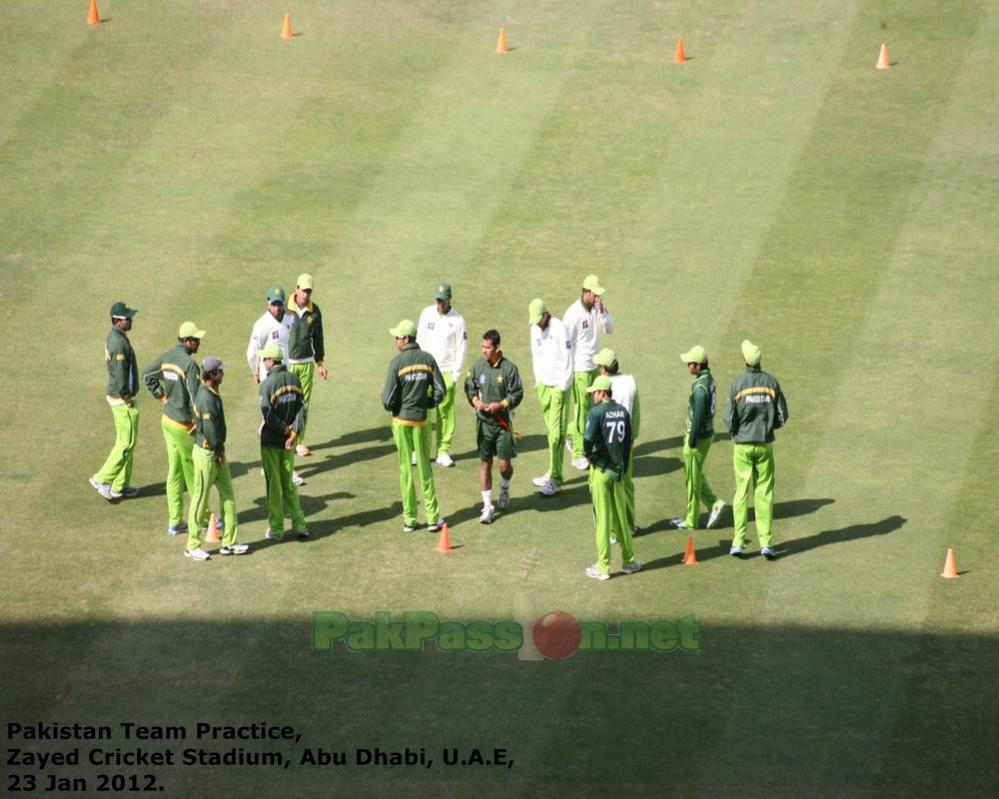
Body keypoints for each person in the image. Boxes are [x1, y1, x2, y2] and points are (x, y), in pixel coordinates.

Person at [723, 340, 789, 560]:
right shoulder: (771, 383)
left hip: (742, 446)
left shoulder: (737, 384)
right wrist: (767, 428)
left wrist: (738, 433)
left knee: (741, 493)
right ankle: (766, 543)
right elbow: (782, 416)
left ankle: (738, 543)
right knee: (764, 493)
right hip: (764, 445)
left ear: (745, 361)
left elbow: (729, 419)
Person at [381, 320, 447, 532]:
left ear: (407, 339)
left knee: (405, 471)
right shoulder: (428, 360)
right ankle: (432, 517)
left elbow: (387, 400)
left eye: (398, 337)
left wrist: (399, 406)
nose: (395, 340)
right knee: (425, 470)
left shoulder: (397, 363)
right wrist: (426, 404)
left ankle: (410, 519)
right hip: (422, 421)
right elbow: (441, 391)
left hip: (401, 422)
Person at [143, 321, 208, 536]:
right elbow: (194, 397)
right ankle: (204, 519)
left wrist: (162, 396)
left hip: (167, 421)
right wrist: (199, 423)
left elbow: (147, 376)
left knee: (175, 472)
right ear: (187, 341)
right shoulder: (189, 365)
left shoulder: (167, 357)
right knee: (194, 474)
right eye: (196, 340)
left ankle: (175, 521)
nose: (199, 343)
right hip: (183, 426)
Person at [184, 357, 248, 561]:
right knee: (200, 499)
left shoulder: (210, 393)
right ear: (212, 375)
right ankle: (192, 545)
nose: (223, 373)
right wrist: (219, 451)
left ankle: (229, 542)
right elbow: (211, 432)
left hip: (216, 452)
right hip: (208, 454)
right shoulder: (207, 398)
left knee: (228, 494)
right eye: (220, 371)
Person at [583, 375, 641, 581]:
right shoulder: (623, 412)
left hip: (600, 471)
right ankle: (629, 561)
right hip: (618, 472)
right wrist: (623, 468)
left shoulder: (596, 412)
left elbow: (588, 439)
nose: (592, 397)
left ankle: (603, 566)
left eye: (594, 393)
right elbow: (628, 444)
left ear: (601, 393)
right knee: (621, 519)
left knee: (602, 521)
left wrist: (587, 455)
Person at [464, 329, 524, 524]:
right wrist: (475, 401)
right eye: (482, 347)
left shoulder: (509, 369)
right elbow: (469, 385)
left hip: (502, 425)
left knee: (504, 466)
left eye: (488, 348)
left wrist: (501, 405)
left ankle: (505, 486)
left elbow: (517, 394)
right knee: (485, 463)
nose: (484, 351)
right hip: (484, 424)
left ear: (497, 348)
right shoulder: (478, 367)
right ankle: (488, 506)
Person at [246, 285, 300, 485]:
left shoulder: (289, 319)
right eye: (274, 303)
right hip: (269, 377)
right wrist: (255, 371)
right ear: (268, 303)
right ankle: (282, 468)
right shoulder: (261, 324)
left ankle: (271, 463)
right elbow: (252, 352)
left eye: (280, 303)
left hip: (284, 373)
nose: (277, 307)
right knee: (274, 421)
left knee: (275, 420)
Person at [257, 344, 310, 541]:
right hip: (289, 444)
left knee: (274, 487)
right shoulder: (294, 380)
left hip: (272, 443)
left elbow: (268, 415)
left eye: (264, 359)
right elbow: (301, 410)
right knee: (288, 484)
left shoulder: (267, 384)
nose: (263, 363)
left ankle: (277, 529)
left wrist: (285, 430)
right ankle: (300, 524)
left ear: (272, 361)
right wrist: (293, 434)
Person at [563, 275, 615, 470]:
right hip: (580, 370)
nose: (597, 297)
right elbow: (565, 343)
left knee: (594, 410)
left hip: (596, 367)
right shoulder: (573, 314)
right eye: (594, 294)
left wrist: (602, 313)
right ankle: (578, 453)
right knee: (581, 413)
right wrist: (568, 371)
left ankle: (570, 433)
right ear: (585, 292)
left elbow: (610, 328)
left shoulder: (597, 309)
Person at [90, 301, 141, 501]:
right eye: (128, 318)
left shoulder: (117, 337)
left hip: (120, 398)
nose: (131, 320)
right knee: (126, 443)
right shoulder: (118, 343)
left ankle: (120, 486)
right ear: (117, 321)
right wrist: (127, 397)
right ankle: (102, 478)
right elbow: (120, 375)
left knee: (128, 442)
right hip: (121, 400)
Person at [671, 346, 726, 531]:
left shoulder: (701, 388)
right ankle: (713, 504)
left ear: (698, 365)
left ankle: (692, 519)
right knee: (696, 474)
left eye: (690, 363)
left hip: (698, 437)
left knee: (692, 479)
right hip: (707, 434)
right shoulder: (708, 380)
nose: (688, 366)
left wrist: (692, 442)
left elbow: (698, 418)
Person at [416, 281, 467, 467]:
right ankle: (420, 451)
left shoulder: (458, 320)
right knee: (423, 411)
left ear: (449, 300)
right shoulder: (427, 314)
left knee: (445, 413)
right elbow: (419, 340)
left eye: (443, 301)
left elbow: (462, 348)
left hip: (446, 371)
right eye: (438, 300)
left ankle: (443, 451)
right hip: (427, 370)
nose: (440, 304)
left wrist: (455, 376)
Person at [527, 299, 572, 497]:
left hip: (558, 387)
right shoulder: (535, 330)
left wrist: (562, 387)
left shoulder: (560, 328)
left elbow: (568, 359)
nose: (538, 323)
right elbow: (536, 357)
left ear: (546, 313)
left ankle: (556, 478)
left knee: (556, 434)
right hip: (544, 387)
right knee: (550, 433)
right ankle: (551, 470)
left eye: (539, 319)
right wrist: (538, 382)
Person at [594, 348, 640, 536]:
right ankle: (629, 525)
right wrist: (632, 436)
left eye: (599, 365)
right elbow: (636, 412)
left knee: (607, 488)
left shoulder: (602, 386)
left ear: (604, 368)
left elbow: (595, 415)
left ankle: (613, 531)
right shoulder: (630, 381)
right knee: (626, 485)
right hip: (625, 441)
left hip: (606, 444)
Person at [287, 273, 328, 458]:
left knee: (303, 405)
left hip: (306, 364)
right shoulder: (286, 309)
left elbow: (318, 339)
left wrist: (320, 362)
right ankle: (285, 437)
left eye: (309, 291)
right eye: (303, 291)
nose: (306, 295)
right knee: (286, 403)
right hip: (288, 364)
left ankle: (298, 440)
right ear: (296, 289)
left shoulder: (315, 311)